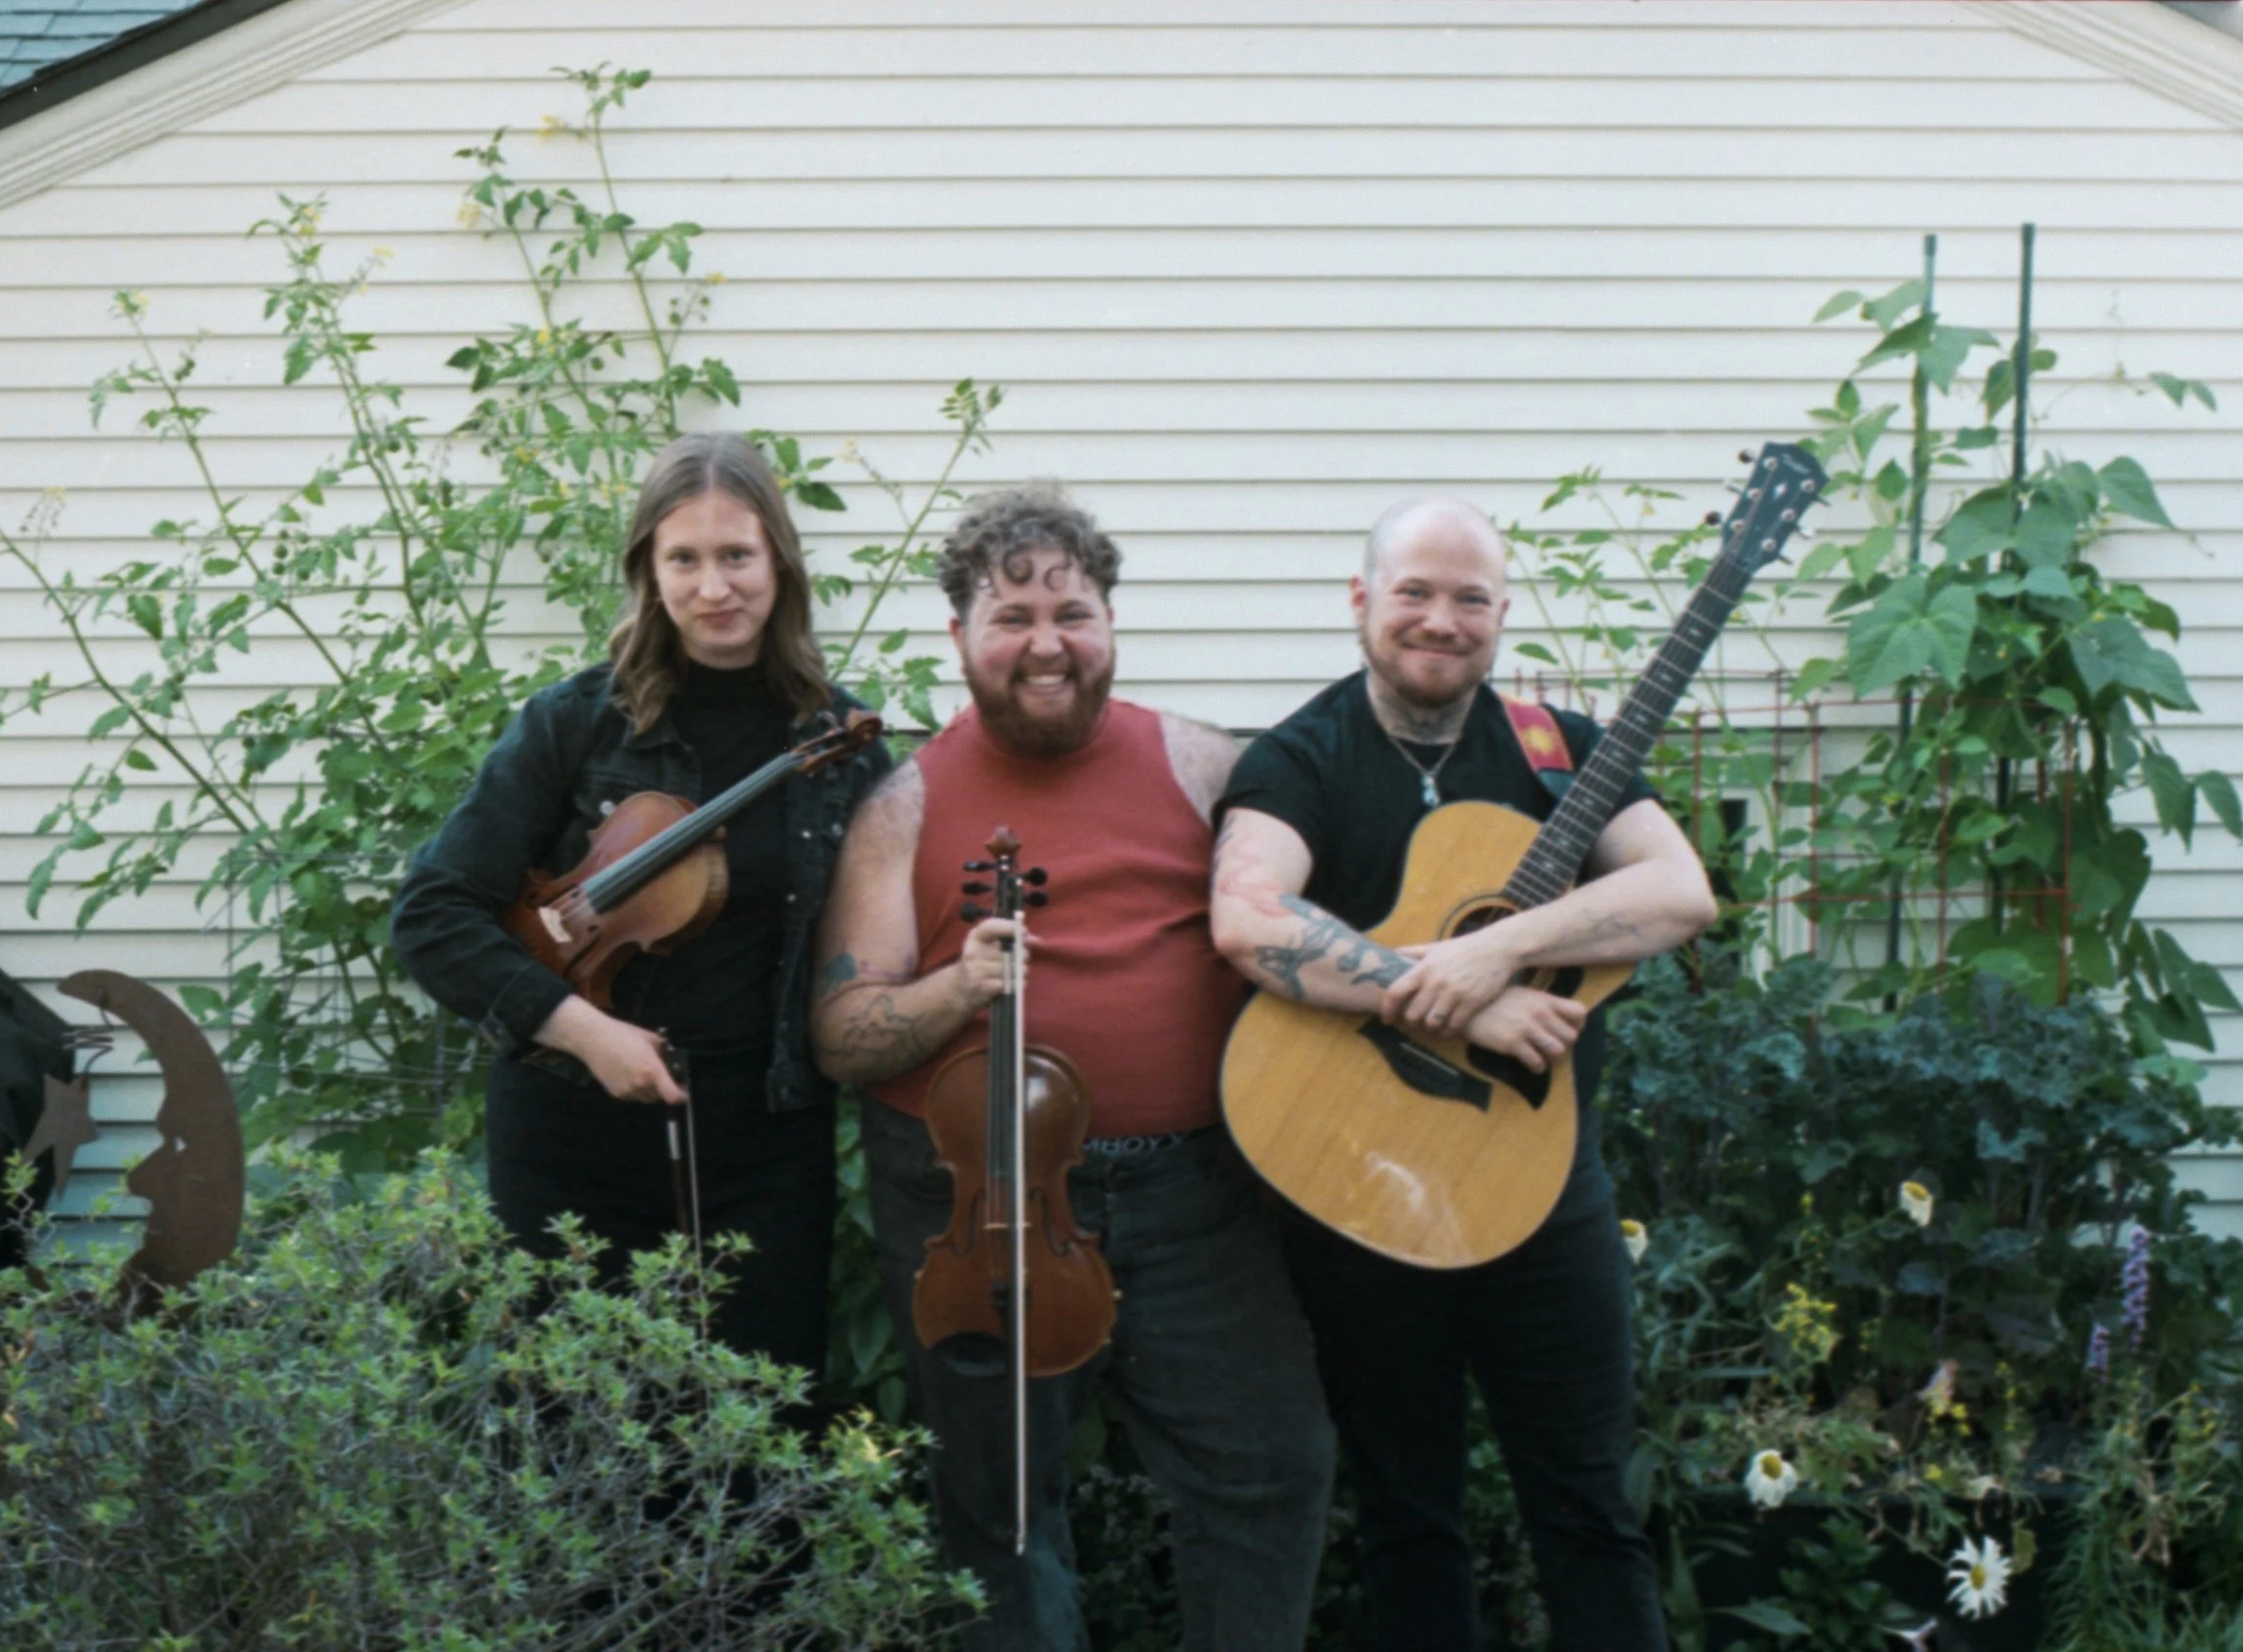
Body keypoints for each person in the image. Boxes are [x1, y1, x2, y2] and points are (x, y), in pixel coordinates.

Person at [811, 484, 1334, 1652]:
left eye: (1073, 611)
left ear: (1110, 622)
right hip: (975, 1204)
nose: (1046, 643)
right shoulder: (902, 804)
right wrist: (955, 989)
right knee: (999, 1516)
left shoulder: (1203, 766)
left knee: (1269, 1473)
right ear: (959, 637)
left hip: (1199, 1197)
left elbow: (1306, 931)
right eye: (1011, 617)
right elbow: (841, 1035)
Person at [1210, 496, 1719, 1651]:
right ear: (1361, 600)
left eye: (1470, 599)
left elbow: (1679, 894)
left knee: (1590, 1505)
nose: (1440, 621)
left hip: (1546, 1187)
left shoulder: (1557, 749)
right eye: (1414, 593)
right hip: (1368, 1183)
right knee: (1407, 1514)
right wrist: (1457, 1002)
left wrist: (1486, 950)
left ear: (1501, 613)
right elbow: (1245, 920)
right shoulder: (1304, 756)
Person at [390, 432, 890, 1382]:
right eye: (685, 559)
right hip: (572, 1140)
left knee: (756, 1431)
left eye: (736, 556)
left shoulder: (842, 744)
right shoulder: (573, 725)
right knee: (580, 1444)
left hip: (768, 1146)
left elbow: (889, 942)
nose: (715, 587)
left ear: (778, 562)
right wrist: (583, 1029)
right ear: (647, 572)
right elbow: (433, 914)